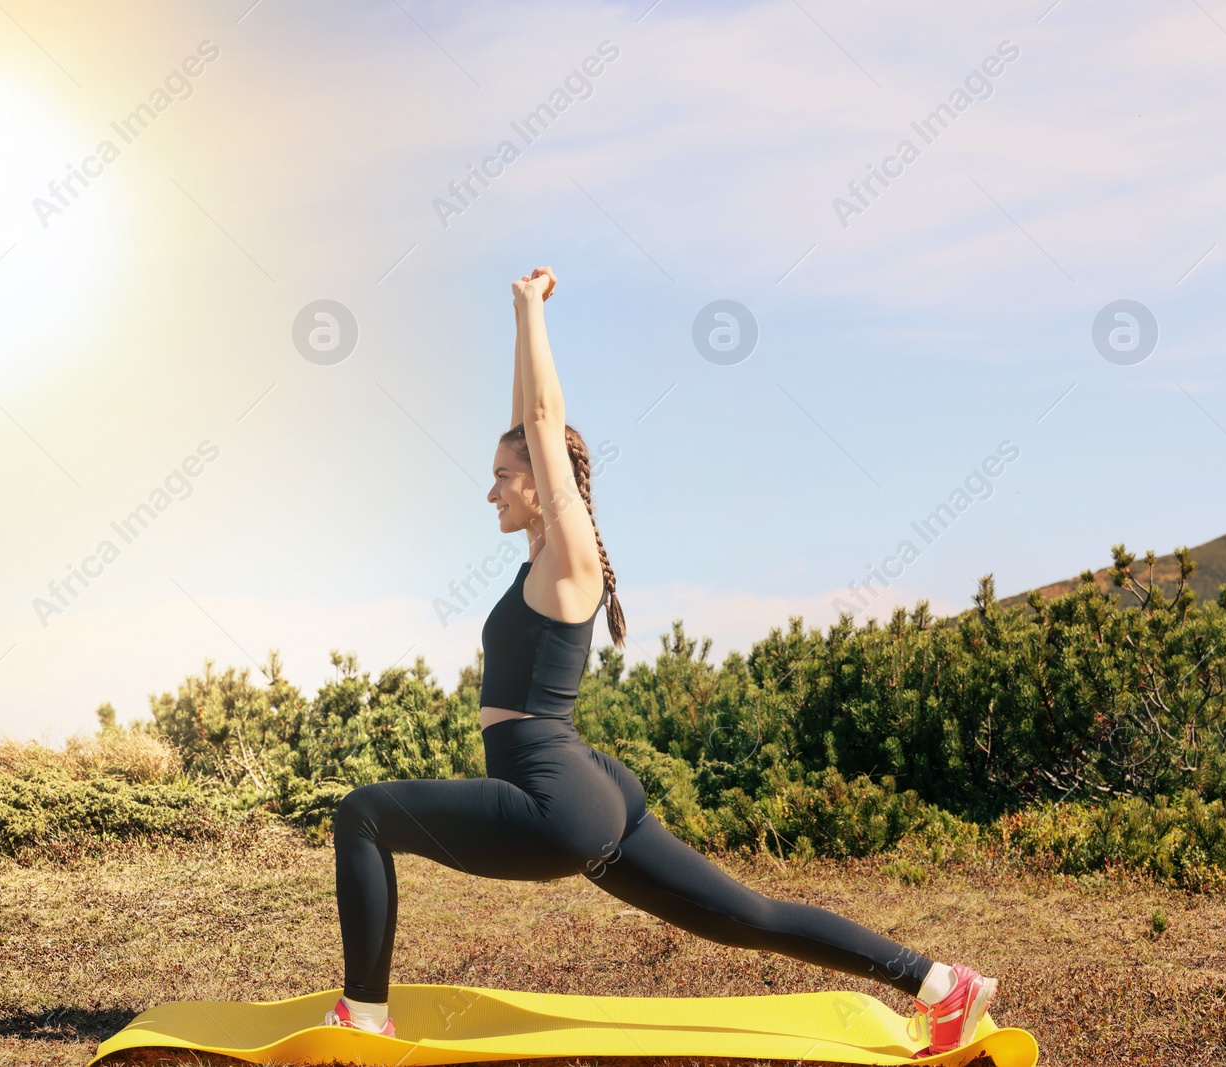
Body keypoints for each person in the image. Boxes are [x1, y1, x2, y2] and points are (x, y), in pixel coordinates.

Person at [324, 266, 998, 1057]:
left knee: (361, 814)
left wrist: (531, 308)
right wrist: (518, 325)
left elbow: (541, 418)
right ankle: (938, 983)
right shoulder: (550, 548)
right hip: (592, 786)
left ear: (544, 487)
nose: (492, 492)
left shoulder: (567, 558)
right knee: (751, 916)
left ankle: (364, 1016)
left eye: (504, 478)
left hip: (555, 798)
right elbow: (527, 423)